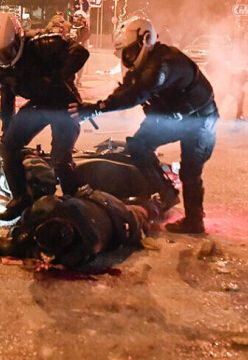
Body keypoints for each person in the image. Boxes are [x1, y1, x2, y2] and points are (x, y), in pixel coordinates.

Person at [70, 16, 218, 234]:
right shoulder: (145, 65)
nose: (127, 59)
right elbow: (126, 89)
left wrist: (98, 107)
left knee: (190, 170)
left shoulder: (164, 63)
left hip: (200, 119)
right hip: (173, 117)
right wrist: (95, 106)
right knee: (138, 145)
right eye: (124, 54)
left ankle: (194, 221)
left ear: (145, 40)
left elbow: (138, 93)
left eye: (129, 52)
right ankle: (166, 194)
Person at [0, 12, 90, 221]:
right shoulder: (0, 69)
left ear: (18, 39)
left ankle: (74, 203)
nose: (3, 58)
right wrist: (7, 127)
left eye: (7, 51)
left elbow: (80, 52)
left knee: (60, 159)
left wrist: (59, 75)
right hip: (39, 105)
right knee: (7, 147)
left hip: (63, 102)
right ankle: (20, 198)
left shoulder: (42, 44)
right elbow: (7, 98)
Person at [0, 185, 160, 269]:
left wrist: (136, 239)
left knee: (139, 213)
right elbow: (16, 237)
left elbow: (12, 247)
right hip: (86, 200)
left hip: (112, 212)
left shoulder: (88, 245)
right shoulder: (47, 207)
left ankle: (157, 204)